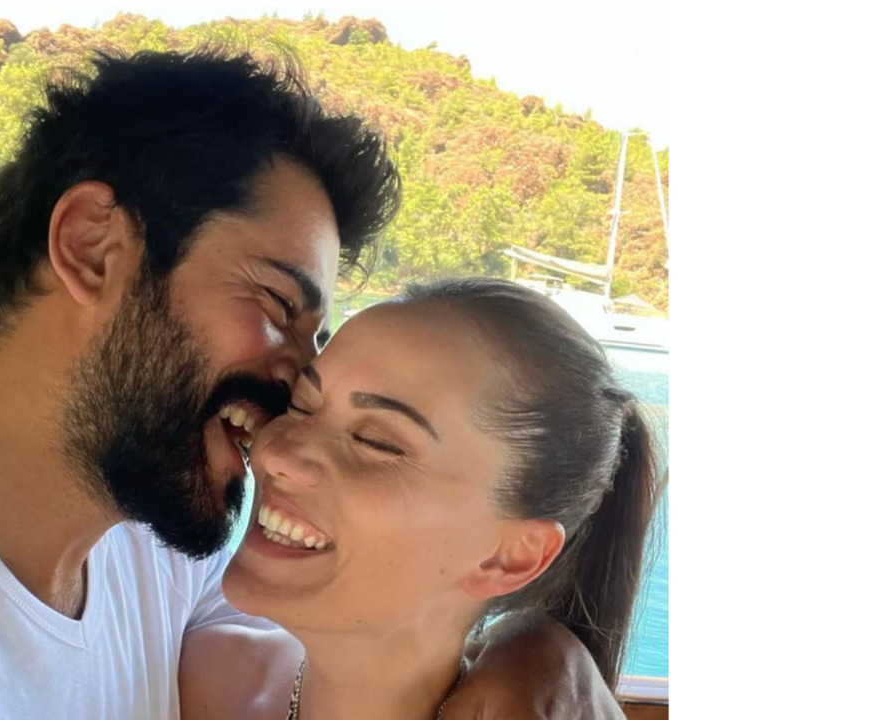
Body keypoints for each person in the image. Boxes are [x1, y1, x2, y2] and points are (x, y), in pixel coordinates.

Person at [0, 48, 622, 718]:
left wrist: (537, 643)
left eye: (312, 349)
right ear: (92, 248)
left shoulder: (151, 540)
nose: (287, 407)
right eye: (277, 306)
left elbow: (377, 629)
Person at [180, 277, 663, 719]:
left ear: (509, 557)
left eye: (376, 443)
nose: (276, 454)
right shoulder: (193, 679)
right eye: (301, 405)